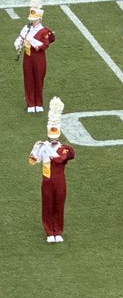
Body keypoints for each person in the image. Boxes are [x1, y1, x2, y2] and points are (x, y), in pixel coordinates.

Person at [29, 97, 73, 243]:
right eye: (51, 138)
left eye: (55, 138)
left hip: (60, 181)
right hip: (47, 181)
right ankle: (49, 232)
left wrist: (50, 150)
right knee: (47, 206)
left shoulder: (64, 148)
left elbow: (64, 158)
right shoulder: (43, 147)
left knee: (59, 205)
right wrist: (35, 149)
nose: (54, 140)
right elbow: (33, 161)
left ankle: (58, 231)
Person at [14, 0, 54, 112]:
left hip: (38, 58)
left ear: (39, 19)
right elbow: (20, 38)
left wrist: (30, 39)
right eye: (31, 19)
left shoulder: (44, 31)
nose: (32, 21)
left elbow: (44, 45)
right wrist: (18, 43)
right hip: (27, 57)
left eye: (34, 19)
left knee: (38, 79)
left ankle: (39, 104)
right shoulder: (27, 28)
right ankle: (31, 104)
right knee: (28, 80)